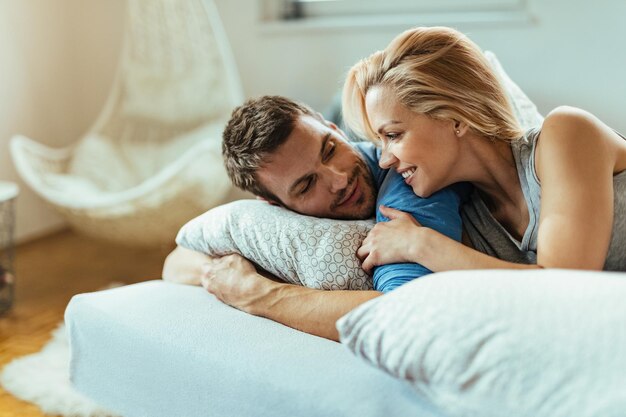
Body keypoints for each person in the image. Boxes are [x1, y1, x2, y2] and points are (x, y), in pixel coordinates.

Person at [163, 95, 467, 341]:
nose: (339, 180)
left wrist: (259, 294)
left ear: (332, 127)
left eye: (330, 150)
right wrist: (224, 276)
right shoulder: (274, 222)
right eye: (307, 185)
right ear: (273, 204)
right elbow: (176, 262)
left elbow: (402, 316)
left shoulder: (406, 181)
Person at [341, 26, 626, 274]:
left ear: (456, 118)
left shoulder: (566, 133)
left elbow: (565, 286)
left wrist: (420, 244)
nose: (386, 160)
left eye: (393, 135)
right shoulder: (469, 225)